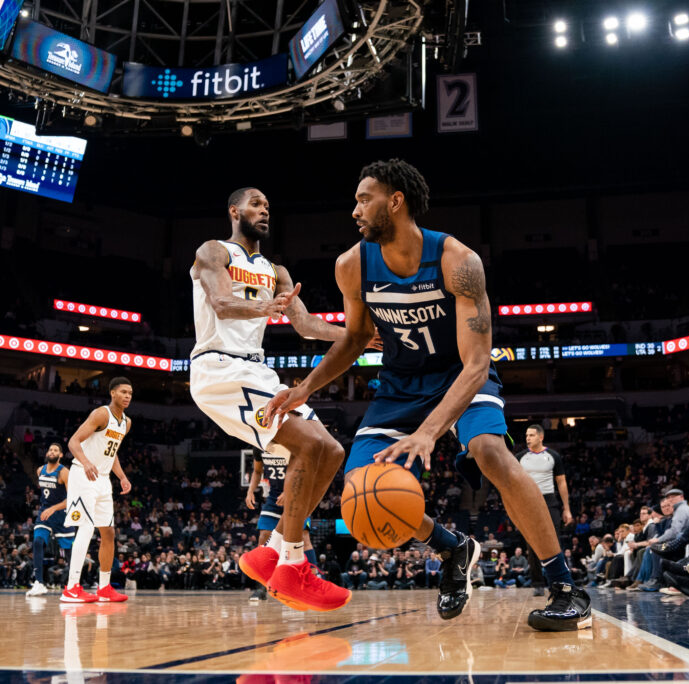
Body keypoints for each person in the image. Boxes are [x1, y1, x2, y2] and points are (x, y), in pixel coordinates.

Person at [265, 159, 590, 631]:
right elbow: (355, 338)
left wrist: (429, 433)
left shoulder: (458, 260)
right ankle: (451, 546)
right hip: (399, 386)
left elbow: (478, 362)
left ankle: (565, 588)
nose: (354, 209)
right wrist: (305, 388)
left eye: (363, 198)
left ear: (395, 201)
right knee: (362, 490)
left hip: (458, 374)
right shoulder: (352, 265)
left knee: (491, 453)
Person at [190, 187, 353, 612]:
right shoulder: (214, 251)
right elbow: (222, 303)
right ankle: (293, 566)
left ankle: (271, 553)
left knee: (331, 450)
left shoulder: (276, 270)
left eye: (268, 205)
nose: (264, 210)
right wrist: (266, 308)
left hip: (257, 370)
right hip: (219, 368)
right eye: (256, 204)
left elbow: (306, 325)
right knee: (310, 443)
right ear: (234, 211)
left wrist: (357, 338)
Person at [60, 378, 133, 603]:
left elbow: (112, 453)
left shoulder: (126, 422)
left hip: (102, 479)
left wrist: (121, 476)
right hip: (83, 473)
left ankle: (104, 588)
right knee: (85, 527)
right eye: (123, 392)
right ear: (112, 393)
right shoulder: (101, 414)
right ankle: (71, 587)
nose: (128, 396)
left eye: (130, 393)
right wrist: (87, 462)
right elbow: (73, 442)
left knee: (108, 532)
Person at [244, 450, 317, 601]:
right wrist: (250, 491)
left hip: (297, 494)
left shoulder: (291, 440)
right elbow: (258, 471)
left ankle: (312, 583)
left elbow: (306, 469)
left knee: (303, 537)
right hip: (274, 498)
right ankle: (262, 587)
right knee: (263, 537)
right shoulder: (259, 445)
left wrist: (291, 489)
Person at [517, 423, 572, 594]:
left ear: (541, 437)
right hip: (527, 501)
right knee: (531, 543)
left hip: (549, 501)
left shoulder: (553, 456)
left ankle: (558, 582)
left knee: (555, 542)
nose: (528, 438)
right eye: (526, 435)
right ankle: (537, 584)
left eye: (531, 435)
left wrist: (567, 509)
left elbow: (561, 483)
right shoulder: (520, 457)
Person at [27, 443, 74, 596]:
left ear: (60, 455)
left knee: (68, 552)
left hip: (61, 513)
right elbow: (46, 492)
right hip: (45, 512)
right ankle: (39, 583)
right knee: (37, 542)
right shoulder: (40, 470)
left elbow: (72, 498)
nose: (52, 452)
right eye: (50, 449)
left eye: (55, 450)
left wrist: (54, 508)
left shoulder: (64, 472)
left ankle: (74, 584)